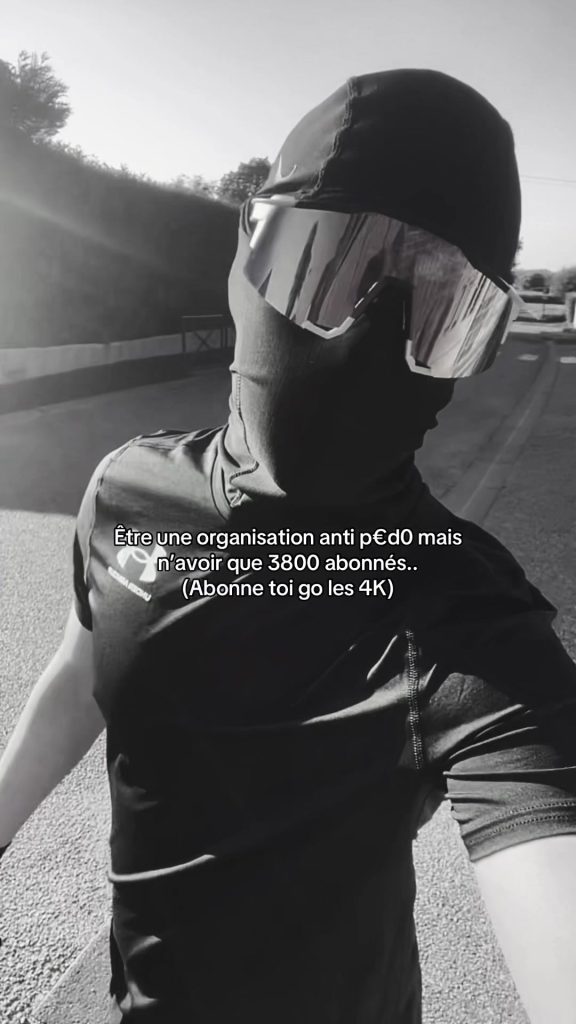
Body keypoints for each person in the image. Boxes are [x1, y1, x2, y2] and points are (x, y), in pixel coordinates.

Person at [1, 69, 576, 1024]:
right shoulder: (128, 492)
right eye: (327, 267)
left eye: (442, 313)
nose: (363, 342)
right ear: (246, 251)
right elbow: (80, 671)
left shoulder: (466, 618)